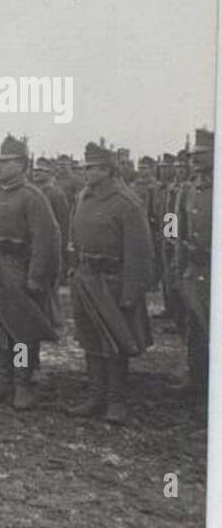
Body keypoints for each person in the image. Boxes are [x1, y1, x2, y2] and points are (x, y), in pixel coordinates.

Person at [67, 142, 156, 424]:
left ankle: (116, 400)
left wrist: (130, 293)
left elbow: (140, 252)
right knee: (91, 340)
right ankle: (95, 396)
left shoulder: (127, 203)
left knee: (115, 342)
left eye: (93, 168)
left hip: (113, 282)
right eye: (86, 168)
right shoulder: (84, 197)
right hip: (86, 278)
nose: (87, 173)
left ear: (108, 170)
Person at [0, 134, 61, 410]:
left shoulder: (33, 197)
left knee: (22, 332)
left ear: (22, 164)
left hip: (18, 269)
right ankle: (3, 380)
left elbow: (45, 240)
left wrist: (36, 278)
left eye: (6, 162)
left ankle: (23, 382)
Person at [169, 129, 212, 401]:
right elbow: (174, 225)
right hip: (193, 268)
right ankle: (196, 378)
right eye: (192, 155)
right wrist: (175, 258)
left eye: (201, 154)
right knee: (195, 326)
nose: (194, 159)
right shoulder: (187, 189)